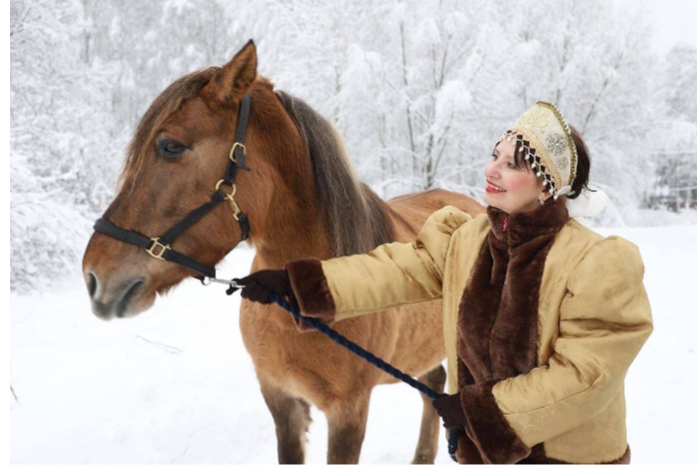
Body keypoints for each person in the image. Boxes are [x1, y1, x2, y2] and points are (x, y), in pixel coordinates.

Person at [235, 101, 653, 464]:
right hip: (487, 454)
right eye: (495, 155)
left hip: (566, 458)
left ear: (548, 186)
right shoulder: (467, 240)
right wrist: (301, 284)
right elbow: (393, 271)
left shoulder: (599, 262)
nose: (492, 170)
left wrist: (483, 412)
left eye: (512, 165)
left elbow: (586, 377)